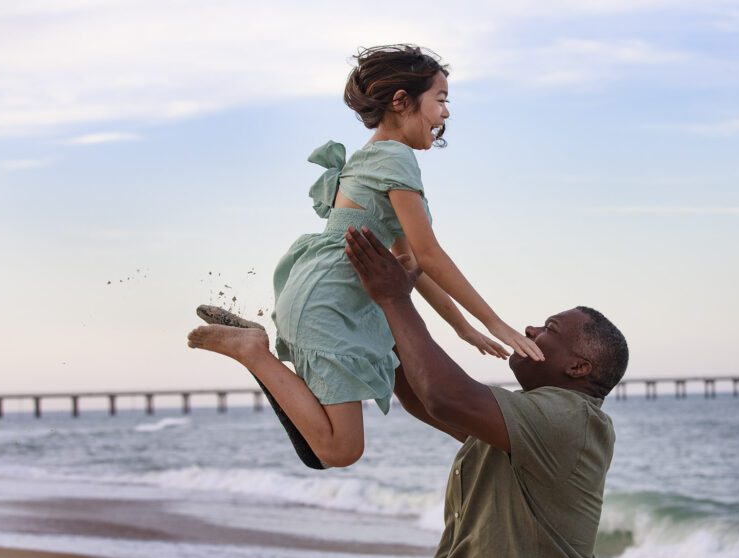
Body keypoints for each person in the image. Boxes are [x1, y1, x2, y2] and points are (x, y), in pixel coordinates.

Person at [187, 45, 542, 470]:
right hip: (332, 301)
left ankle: (255, 353)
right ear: (401, 101)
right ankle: (252, 350)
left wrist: (463, 328)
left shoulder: (374, 158)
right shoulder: (395, 157)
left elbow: (411, 263)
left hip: (332, 296)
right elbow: (429, 254)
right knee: (340, 450)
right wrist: (495, 322)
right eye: (441, 99)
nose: (446, 113)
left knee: (337, 441)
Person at [345, 226, 629, 558]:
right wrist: (378, 309)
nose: (532, 329)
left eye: (550, 329)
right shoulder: (528, 422)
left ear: (578, 367)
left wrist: (396, 300)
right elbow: (421, 396)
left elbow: (444, 397)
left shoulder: (571, 419)